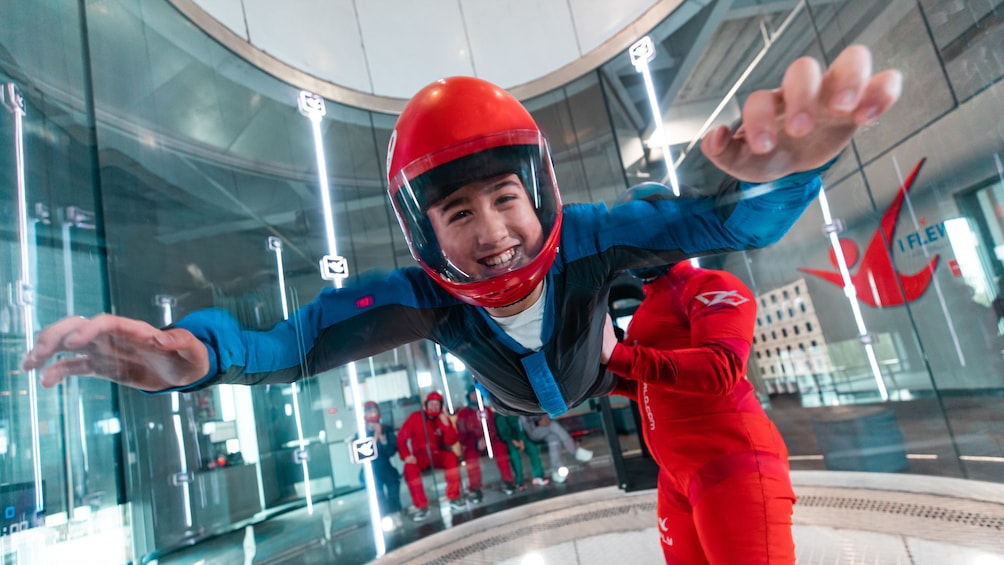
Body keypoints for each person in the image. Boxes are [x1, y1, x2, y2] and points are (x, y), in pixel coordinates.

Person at [23, 46, 901, 421]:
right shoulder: (419, 298)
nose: (495, 234)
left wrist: (787, 168)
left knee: (645, 257)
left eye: (505, 199)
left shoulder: (595, 235)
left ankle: (617, 319)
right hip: (549, 389)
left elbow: (722, 220)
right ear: (423, 230)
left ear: (544, 193)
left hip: (599, 361)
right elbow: (288, 343)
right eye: (458, 212)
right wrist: (196, 356)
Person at [600, 209, 796, 563]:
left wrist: (618, 357)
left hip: (733, 465)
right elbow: (652, 386)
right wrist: (600, 376)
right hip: (677, 474)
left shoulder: (711, 285)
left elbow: (721, 369)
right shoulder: (647, 310)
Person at [396, 391, 464, 521]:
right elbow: (401, 437)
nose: (434, 407)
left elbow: (451, 441)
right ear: (426, 405)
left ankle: (453, 498)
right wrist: (406, 455)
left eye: (436, 404)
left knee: (451, 458)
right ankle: (422, 506)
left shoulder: (442, 419)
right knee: (409, 467)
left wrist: (446, 425)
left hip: (437, 455)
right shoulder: (415, 417)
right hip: (420, 457)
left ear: (440, 406)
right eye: (431, 404)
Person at [455, 387, 517, 500]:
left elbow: (493, 429)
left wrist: (487, 439)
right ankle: (475, 488)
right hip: (472, 444)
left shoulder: (487, 410)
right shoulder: (462, 414)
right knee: (471, 458)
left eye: (476, 394)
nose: (474, 396)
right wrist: (475, 443)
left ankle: (507, 481)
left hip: (490, 441)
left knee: (501, 448)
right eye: (472, 394)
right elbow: (462, 435)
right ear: (468, 396)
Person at [356, 401, 403, 527]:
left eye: (374, 411)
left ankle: (395, 512)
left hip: (385, 465)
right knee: (377, 490)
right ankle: (383, 515)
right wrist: (374, 440)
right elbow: (362, 456)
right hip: (370, 468)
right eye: (369, 412)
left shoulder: (386, 429)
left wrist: (382, 438)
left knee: (393, 482)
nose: (372, 414)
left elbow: (392, 451)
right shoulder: (360, 433)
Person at [518, 414, 592, 483]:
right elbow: (525, 426)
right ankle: (575, 451)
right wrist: (538, 423)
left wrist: (546, 419)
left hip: (546, 428)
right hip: (533, 432)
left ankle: (555, 472)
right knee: (554, 426)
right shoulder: (522, 405)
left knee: (554, 440)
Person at [494, 411, 549, 488]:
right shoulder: (499, 415)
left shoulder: (513, 412)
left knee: (533, 449)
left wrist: (521, 441)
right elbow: (503, 433)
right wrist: (513, 441)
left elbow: (519, 428)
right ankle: (519, 481)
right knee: (515, 455)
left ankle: (538, 476)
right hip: (509, 441)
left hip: (521, 438)